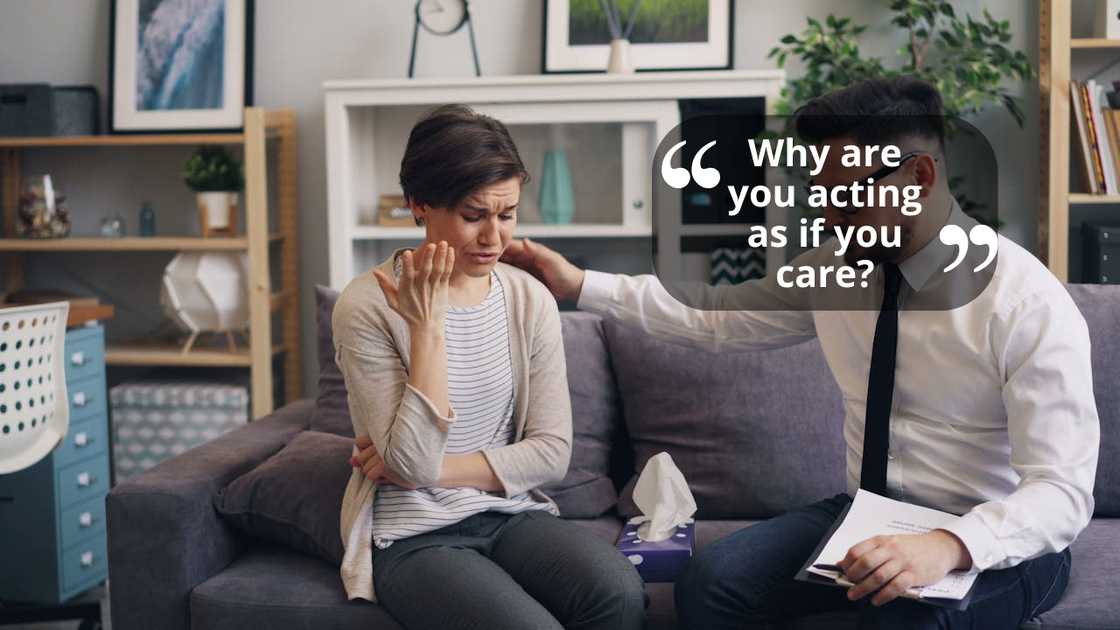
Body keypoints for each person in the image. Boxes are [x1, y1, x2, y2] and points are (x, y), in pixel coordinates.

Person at [495, 77, 1100, 629]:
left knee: (907, 625)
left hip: (996, 544)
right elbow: (714, 317)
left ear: (919, 176)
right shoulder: (839, 268)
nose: (831, 220)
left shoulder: (1024, 304)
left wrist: (948, 545)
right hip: (868, 515)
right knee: (711, 582)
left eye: (848, 198)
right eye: (821, 198)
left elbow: (1062, 494)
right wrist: (577, 284)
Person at [335, 104, 645, 630]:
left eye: (507, 214)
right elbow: (407, 463)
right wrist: (427, 328)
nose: (493, 238)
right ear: (419, 205)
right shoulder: (366, 306)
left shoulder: (528, 299)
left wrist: (434, 472)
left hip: (509, 514)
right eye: (474, 215)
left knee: (618, 593)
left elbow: (551, 454)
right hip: (413, 535)